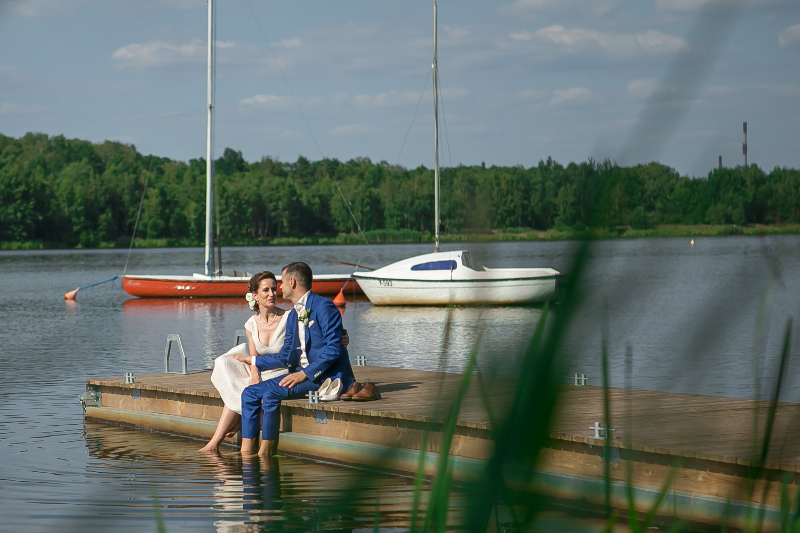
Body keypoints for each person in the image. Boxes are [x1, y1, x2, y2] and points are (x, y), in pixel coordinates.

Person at [199, 270, 349, 453]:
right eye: (268, 289)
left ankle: (264, 453)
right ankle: (246, 451)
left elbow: (333, 348)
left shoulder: (323, 306)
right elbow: (286, 356)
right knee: (249, 393)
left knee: (270, 395)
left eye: (282, 283)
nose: (279, 288)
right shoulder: (295, 314)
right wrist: (251, 360)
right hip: (296, 372)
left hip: (320, 377)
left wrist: (303, 373)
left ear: (292, 282)